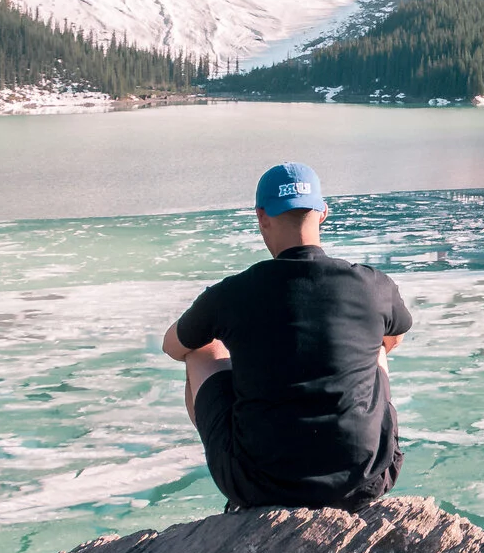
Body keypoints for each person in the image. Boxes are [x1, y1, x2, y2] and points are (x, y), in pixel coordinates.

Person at [162, 162, 413, 509]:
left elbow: (173, 346)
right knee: (378, 344)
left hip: (258, 486)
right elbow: (397, 335)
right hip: (366, 479)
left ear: (261, 216)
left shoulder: (232, 294)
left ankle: (241, 448)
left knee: (200, 349)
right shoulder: (373, 285)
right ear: (323, 213)